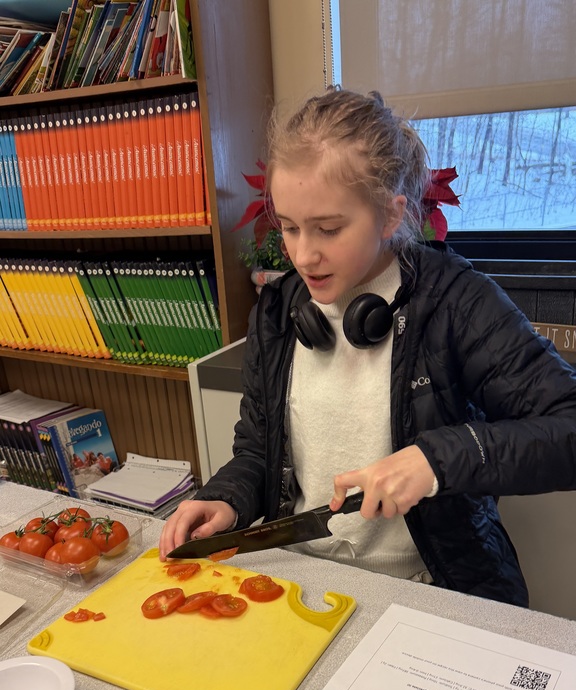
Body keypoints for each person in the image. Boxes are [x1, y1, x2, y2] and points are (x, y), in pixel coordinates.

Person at [160, 87, 576, 607]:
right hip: (304, 585)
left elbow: (568, 429)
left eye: (328, 229)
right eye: (288, 227)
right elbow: (256, 451)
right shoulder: (278, 310)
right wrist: (228, 498)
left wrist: (437, 459)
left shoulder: (456, 301)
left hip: (432, 590)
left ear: (389, 215)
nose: (303, 254)